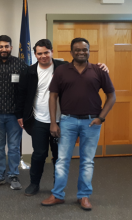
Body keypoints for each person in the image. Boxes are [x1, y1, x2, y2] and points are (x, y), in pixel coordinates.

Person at [15, 39, 109, 196]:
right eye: (39, 53)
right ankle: (34, 183)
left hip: (63, 120)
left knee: (59, 156)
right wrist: (20, 115)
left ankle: (56, 186)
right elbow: (21, 95)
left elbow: (83, 65)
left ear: (52, 51)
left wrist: (102, 66)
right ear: (35, 54)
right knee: (39, 154)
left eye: (46, 52)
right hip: (39, 119)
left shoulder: (63, 67)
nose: (43, 56)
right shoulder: (29, 72)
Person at [41, 38, 115, 211]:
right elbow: (53, 96)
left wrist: (101, 118)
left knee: (87, 161)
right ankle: (57, 195)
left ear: (89, 51)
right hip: (68, 121)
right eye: (77, 50)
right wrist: (53, 123)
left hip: (92, 122)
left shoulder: (99, 70)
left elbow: (112, 96)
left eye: (85, 49)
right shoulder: (61, 71)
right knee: (62, 160)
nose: (81, 52)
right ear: (71, 52)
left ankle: (84, 196)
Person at [0, 35, 27, 190]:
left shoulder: (20, 65)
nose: (4, 49)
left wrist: (23, 113)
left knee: (14, 147)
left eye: (7, 46)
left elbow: (26, 89)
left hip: (14, 115)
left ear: (11, 47)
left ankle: (13, 175)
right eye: (1, 47)